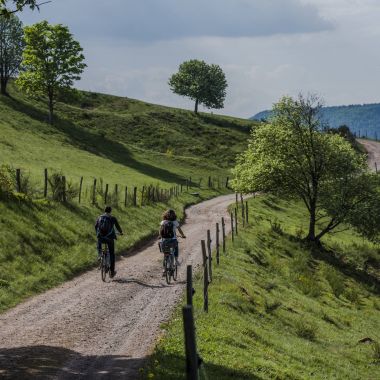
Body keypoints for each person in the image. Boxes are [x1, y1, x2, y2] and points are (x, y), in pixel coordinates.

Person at [95, 206, 123, 278]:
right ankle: (112, 272)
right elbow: (118, 227)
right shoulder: (112, 218)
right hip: (109, 238)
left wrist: (98, 234)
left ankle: (99, 255)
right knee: (112, 254)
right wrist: (121, 232)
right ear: (110, 211)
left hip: (100, 238)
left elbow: (96, 226)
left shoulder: (99, 217)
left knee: (99, 244)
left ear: (104, 211)